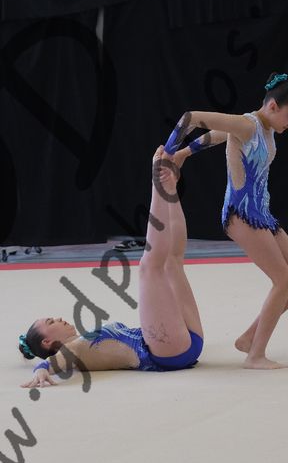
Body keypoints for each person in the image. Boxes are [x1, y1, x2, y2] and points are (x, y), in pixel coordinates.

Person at [18, 149, 203, 390]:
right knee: (149, 267)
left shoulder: (83, 340)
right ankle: (157, 184)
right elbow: (55, 362)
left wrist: (169, 188)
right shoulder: (75, 347)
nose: (60, 318)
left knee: (172, 261)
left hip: (183, 342)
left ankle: (170, 188)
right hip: (168, 353)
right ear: (47, 341)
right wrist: (41, 369)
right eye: (51, 321)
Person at [162, 72, 288, 370]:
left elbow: (217, 135)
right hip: (241, 214)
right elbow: (190, 117)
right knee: (283, 281)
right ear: (272, 106)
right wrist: (168, 152)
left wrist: (186, 153)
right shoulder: (247, 124)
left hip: (262, 213)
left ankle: (249, 338)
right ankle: (255, 355)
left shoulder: (261, 128)